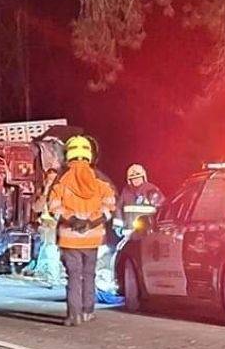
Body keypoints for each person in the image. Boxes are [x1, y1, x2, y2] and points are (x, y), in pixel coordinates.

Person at [48, 135, 116, 326]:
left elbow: (53, 207)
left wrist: (72, 220)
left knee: (73, 277)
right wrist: (92, 222)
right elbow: (109, 205)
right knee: (89, 274)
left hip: (69, 239)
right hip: (92, 239)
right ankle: (88, 311)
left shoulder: (61, 180)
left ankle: (74, 315)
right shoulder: (100, 180)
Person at [114, 164, 164, 236]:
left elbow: (163, 209)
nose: (136, 180)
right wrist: (118, 227)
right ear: (129, 180)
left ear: (143, 177)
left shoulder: (152, 190)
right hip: (129, 234)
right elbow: (118, 209)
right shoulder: (125, 192)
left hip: (148, 234)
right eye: (133, 179)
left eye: (138, 178)